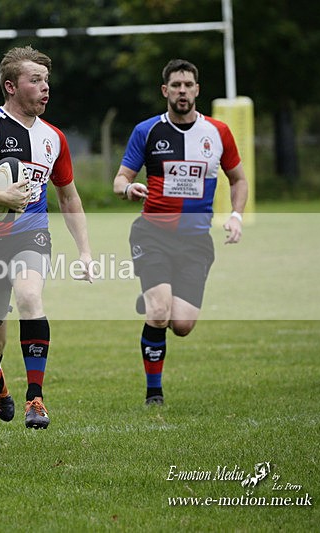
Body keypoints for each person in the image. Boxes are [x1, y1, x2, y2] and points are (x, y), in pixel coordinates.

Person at [0, 46, 93, 429]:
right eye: (36, 80)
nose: (45, 88)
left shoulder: (54, 139)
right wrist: (0, 196)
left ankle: (36, 398)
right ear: (11, 86)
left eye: (47, 81)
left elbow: (68, 195)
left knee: (31, 296)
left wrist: (84, 251)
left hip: (31, 234)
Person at [112, 58, 249, 405]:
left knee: (182, 325)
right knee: (159, 313)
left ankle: (155, 297)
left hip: (195, 241)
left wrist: (235, 215)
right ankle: (153, 392)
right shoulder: (147, 131)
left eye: (188, 85)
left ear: (197, 90)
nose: (182, 91)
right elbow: (120, 179)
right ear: (165, 91)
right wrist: (128, 189)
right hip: (152, 234)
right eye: (176, 85)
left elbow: (239, 180)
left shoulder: (218, 133)